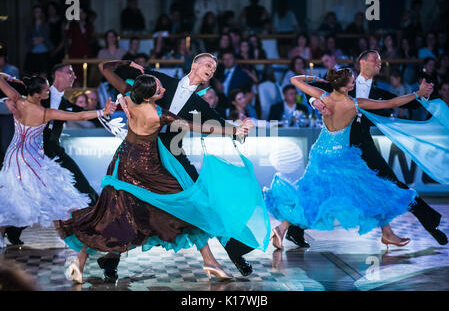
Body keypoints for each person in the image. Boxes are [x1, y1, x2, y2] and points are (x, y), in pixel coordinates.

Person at [55, 62, 265, 284]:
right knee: (181, 207)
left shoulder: (130, 98)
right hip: (148, 166)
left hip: (126, 161)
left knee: (117, 212)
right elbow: (197, 127)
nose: (162, 90)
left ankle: (83, 262)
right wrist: (233, 128)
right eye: (158, 89)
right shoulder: (158, 111)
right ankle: (209, 261)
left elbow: (105, 69)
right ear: (194, 65)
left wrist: (234, 129)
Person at [264, 69, 434, 250]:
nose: (354, 85)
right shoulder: (354, 104)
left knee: (309, 195)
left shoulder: (323, 95)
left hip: (319, 154)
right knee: (372, 191)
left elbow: (294, 79)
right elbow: (392, 102)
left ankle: (281, 229)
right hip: (341, 158)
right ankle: (387, 233)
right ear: (345, 87)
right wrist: (418, 93)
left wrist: (314, 78)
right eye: (352, 82)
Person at [300, 50, 448, 246]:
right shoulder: (344, 79)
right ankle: (293, 227)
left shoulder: (379, 92)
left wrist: (422, 94)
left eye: (380, 60)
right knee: (323, 189)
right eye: (375, 59)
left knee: (392, 185)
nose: (379, 63)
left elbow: (402, 104)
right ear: (362, 62)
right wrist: (314, 102)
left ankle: (429, 224)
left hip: (364, 147)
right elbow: (310, 88)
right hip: (338, 149)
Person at [0, 74, 116, 248]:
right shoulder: (44, 113)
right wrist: (103, 111)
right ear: (38, 94)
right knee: (52, 192)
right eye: (46, 90)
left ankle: (3, 234)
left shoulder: (17, 100)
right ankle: (79, 234)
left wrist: (10, 78)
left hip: (13, 155)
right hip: (31, 158)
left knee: (11, 193)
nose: (49, 92)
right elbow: (80, 116)